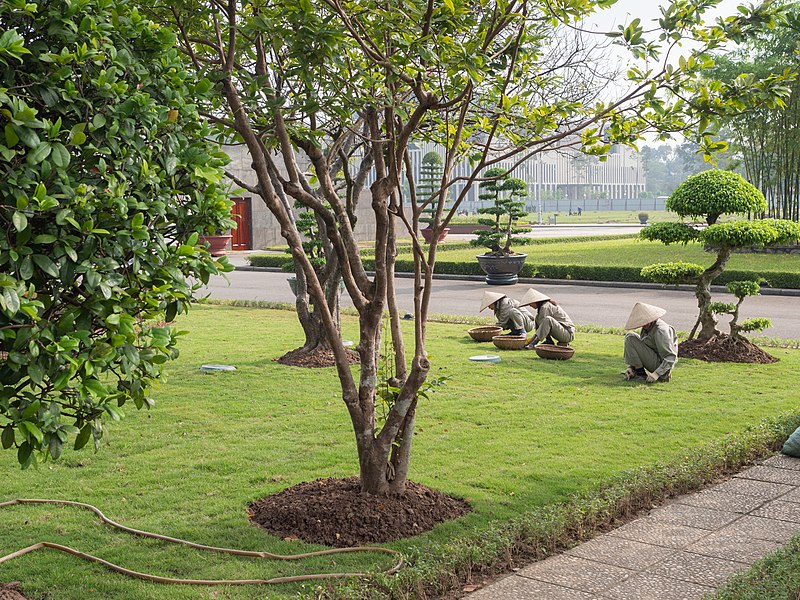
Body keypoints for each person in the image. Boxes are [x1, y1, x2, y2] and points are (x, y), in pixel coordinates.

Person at [622, 302, 678, 383]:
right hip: (654, 360)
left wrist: (656, 374)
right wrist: (631, 367)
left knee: (630, 337)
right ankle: (638, 372)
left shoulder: (661, 330)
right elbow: (644, 347)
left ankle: (640, 374)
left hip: (661, 368)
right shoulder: (647, 328)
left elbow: (670, 356)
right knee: (630, 337)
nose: (642, 325)